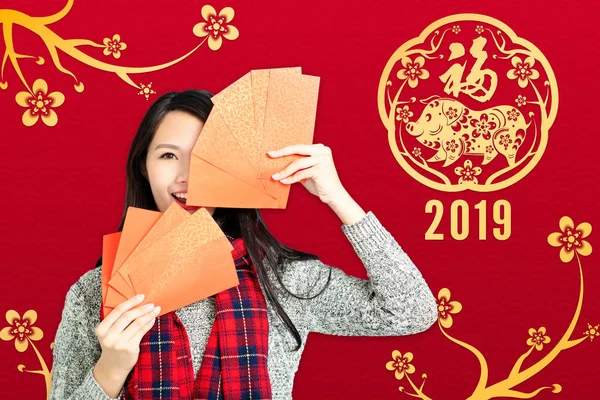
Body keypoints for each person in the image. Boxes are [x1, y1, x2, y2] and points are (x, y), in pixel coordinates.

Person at [49, 90, 438, 400]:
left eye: (205, 157)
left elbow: (411, 311)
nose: (186, 176)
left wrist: (337, 197)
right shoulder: (91, 293)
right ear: (143, 166)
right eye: (169, 155)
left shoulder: (283, 282)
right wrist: (111, 369)